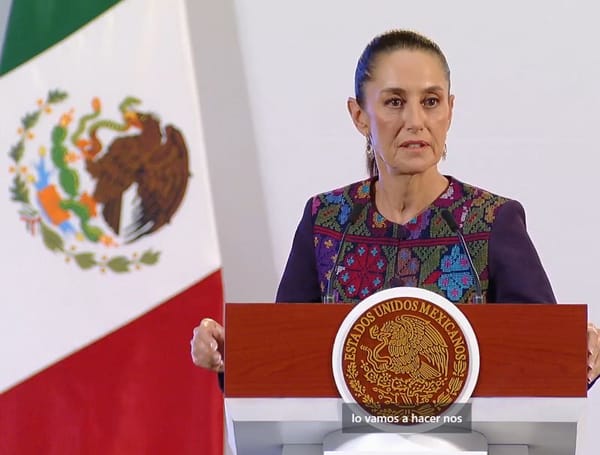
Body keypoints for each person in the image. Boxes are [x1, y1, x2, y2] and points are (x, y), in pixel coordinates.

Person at [191, 29, 600, 385]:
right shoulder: (326, 220)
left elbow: (544, 361)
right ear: (359, 116)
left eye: (431, 101)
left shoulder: (492, 221)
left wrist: (583, 352)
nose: (415, 120)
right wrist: (229, 353)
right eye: (393, 102)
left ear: (450, 111)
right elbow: (285, 357)